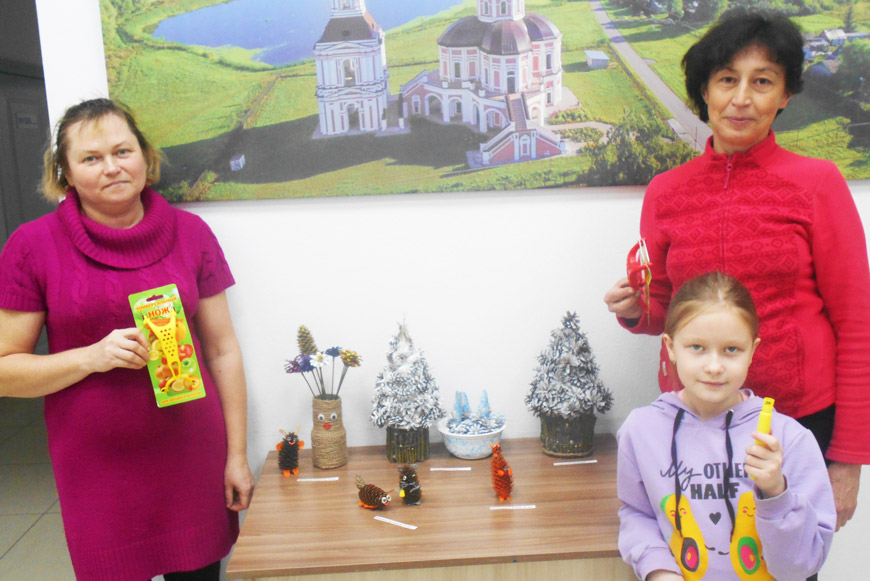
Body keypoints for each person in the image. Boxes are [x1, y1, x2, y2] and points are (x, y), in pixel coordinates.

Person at [603, 7, 869, 531]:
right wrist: (635, 310)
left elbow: (859, 326)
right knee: (696, 557)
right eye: (727, 79)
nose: (742, 98)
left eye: (762, 81)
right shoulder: (665, 192)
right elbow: (667, 314)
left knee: (786, 563)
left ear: (785, 94)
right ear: (705, 89)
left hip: (797, 426)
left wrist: (849, 461)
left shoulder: (818, 184)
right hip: (694, 422)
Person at [0, 98, 254, 580]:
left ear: (144, 155)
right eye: (91, 158)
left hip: (190, 454)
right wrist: (92, 357)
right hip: (97, 467)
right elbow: (4, 372)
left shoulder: (191, 233)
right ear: (65, 172)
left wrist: (237, 456)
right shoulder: (32, 246)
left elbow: (223, 351)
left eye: (123, 151)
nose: (112, 167)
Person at [617, 271, 836, 581]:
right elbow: (637, 514)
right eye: (697, 347)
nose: (714, 366)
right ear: (670, 347)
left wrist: (776, 492)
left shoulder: (790, 439)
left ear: (752, 351)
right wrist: (659, 571)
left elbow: (799, 568)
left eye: (731, 349)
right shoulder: (640, 431)